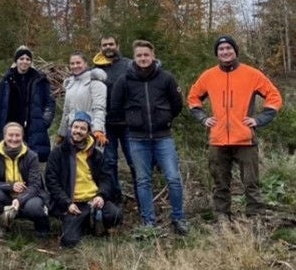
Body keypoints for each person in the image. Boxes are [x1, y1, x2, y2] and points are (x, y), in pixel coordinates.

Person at [188, 35, 283, 220]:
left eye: (228, 48)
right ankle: (222, 220)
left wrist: (260, 119)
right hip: (218, 139)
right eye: (221, 49)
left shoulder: (252, 74)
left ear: (235, 51)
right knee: (220, 183)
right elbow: (193, 97)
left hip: (245, 139)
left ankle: (255, 220)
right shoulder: (208, 76)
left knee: (251, 183)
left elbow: (274, 96)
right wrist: (202, 117)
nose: (225, 52)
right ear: (217, 53)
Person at [111, 40, 187, 234]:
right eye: (139, 55)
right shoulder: (125, 80)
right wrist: (131, 121)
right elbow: (116, 106)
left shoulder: (166, 78)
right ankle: (148, 222)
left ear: (153, 56)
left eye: (146, 55)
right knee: (143, 180)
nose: (143, 59)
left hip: (163, 137)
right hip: (137, 139)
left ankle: (179, 219)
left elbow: (177, 104)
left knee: (173, 178)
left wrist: (165, 118)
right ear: (134, 57)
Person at [46, 112, 122, 248]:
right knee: (69, 241)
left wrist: (101, 196)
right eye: (76, 127)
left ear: (88, 132)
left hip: (93, 200)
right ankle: (89, 222)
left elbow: (106, 178)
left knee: (115, 215)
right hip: (72, 203)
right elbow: (52, 182)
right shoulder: (58, 153)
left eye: (82, 128)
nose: (78, 131)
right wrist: (67, 203)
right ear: (70, 128)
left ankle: (93, 218)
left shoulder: (96, 154)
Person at [0, 46, 55, 163]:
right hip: (10, 127)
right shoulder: (7, 80)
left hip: (32, 128)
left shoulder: (40, 80)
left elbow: (50, 103)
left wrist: (43, 122)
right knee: (8, 162)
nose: (25, 61)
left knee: (32, 162)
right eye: (21, 58)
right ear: (16, 61)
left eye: (28, 59)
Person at [0, 122, 50, 236]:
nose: (14, 139)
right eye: (10, 135)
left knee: (33, 207)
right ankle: (4, 222)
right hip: (6, 195)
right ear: (4, 136)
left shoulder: (32, 156)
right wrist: (11, 186)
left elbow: (35, 186)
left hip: (29, 195)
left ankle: (42, 226)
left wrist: (20, 200)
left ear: (22, 136)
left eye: (17, 135)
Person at [93, 36, 136, 204]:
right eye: (104, 45)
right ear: (100, 47)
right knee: (109, 163)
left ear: (117, 45)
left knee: (134, 161)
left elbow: (147, 68)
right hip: (106, 124)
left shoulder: (129, 65)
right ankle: (114, 199)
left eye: (111, 44)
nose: (108, 47)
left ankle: (142, 200)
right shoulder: (96, 69)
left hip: (128, 123)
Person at [57, 51, 107, 146]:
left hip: (90, 131)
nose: (75, 66)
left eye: (78, 63)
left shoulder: (95, 83)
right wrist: (62, 133)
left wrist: (98, 130)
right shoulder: (70, 84)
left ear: (85, 64)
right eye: (72, 63)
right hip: (72, 132)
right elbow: (66, 112)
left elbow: (99, 109)